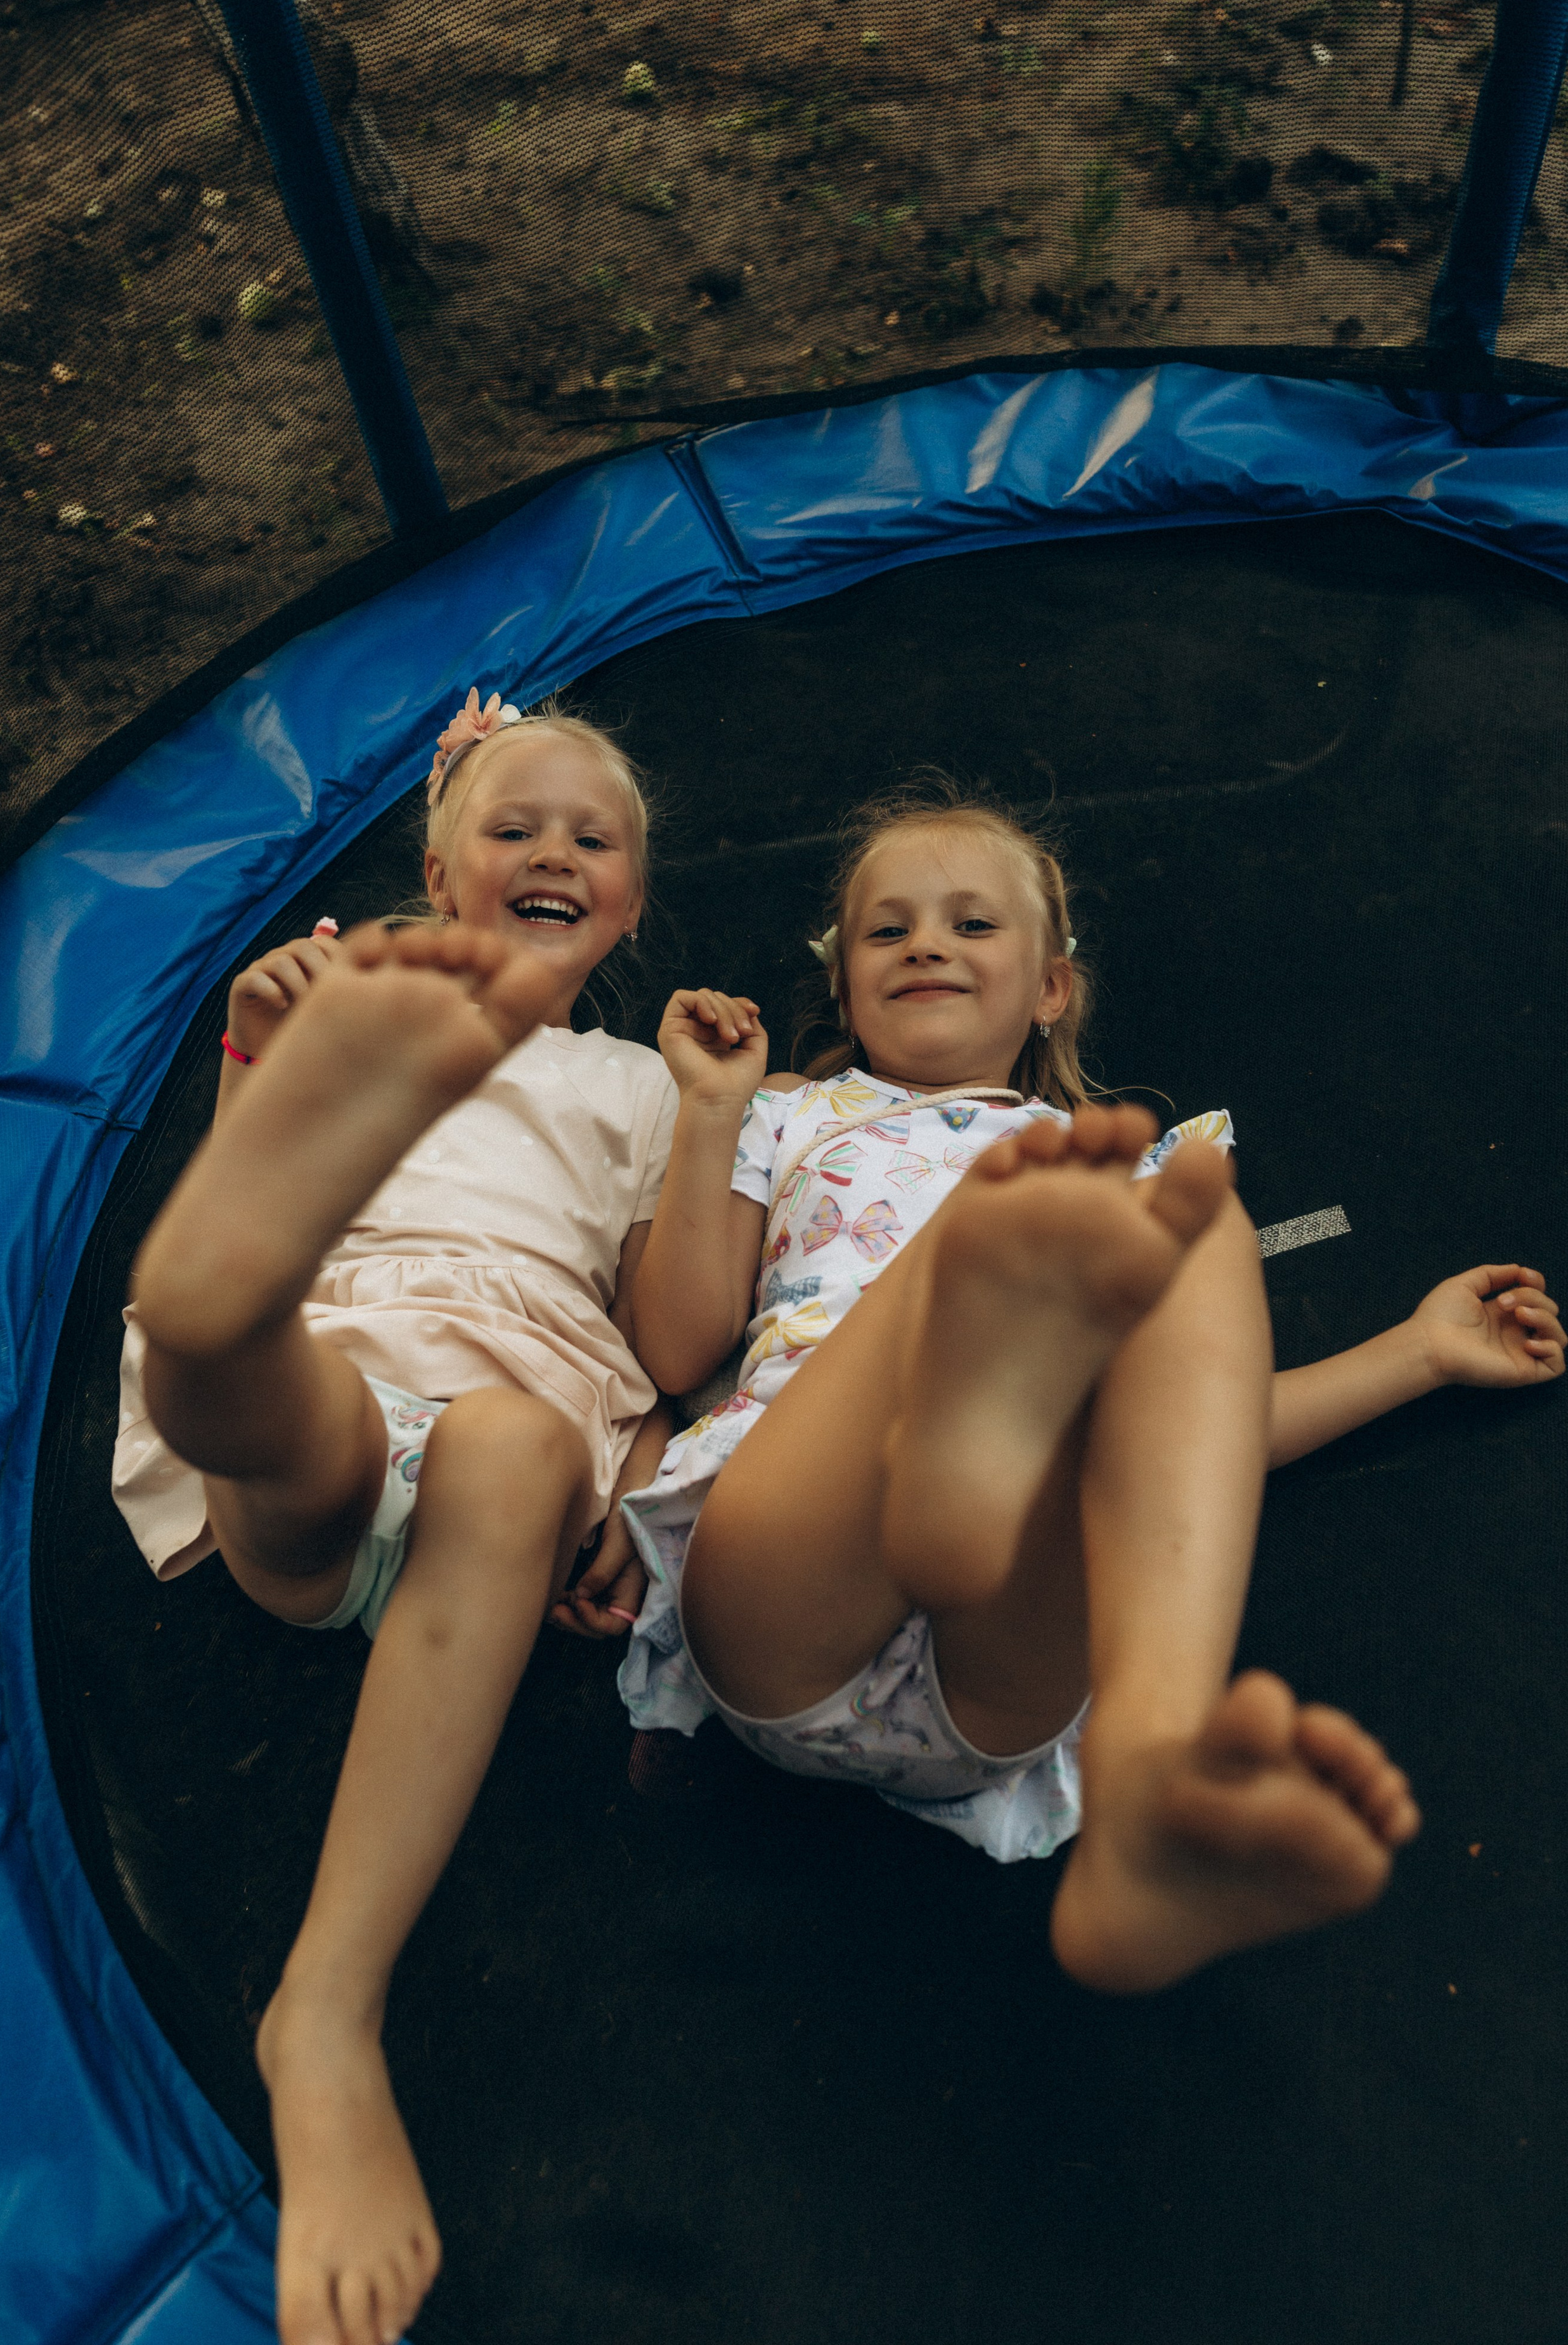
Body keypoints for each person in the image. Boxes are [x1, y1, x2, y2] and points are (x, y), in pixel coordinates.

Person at [622, 782, 1563, 1992]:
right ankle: (963, 1413)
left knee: (1193, 1211)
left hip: (994, 1691)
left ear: (1050, 987)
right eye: (887, 929)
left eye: (972, 925)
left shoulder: (1137, 1166)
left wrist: (1417, 1353)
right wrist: (710, 1112)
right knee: (1024, 1224)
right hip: (787, 1592)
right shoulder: (793, 1113)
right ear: (847, 990)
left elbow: (1195, 1452)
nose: (926, 944)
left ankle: (1149, 1787)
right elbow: (679, 1347)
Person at [115, 690, 675, 2345]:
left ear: (632, 898)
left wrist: (651, 1500)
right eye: (516, 827)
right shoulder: (384, 993)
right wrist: (268, 1072)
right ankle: (235, 1268)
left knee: (508, 1451)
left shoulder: (635, 1085)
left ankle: (327, 2008)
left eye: (594, 834)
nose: (555, 849)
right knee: (274, 1382)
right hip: (343, 1364)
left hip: (516, 1401)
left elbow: (675, 1340)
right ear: (441, 871)